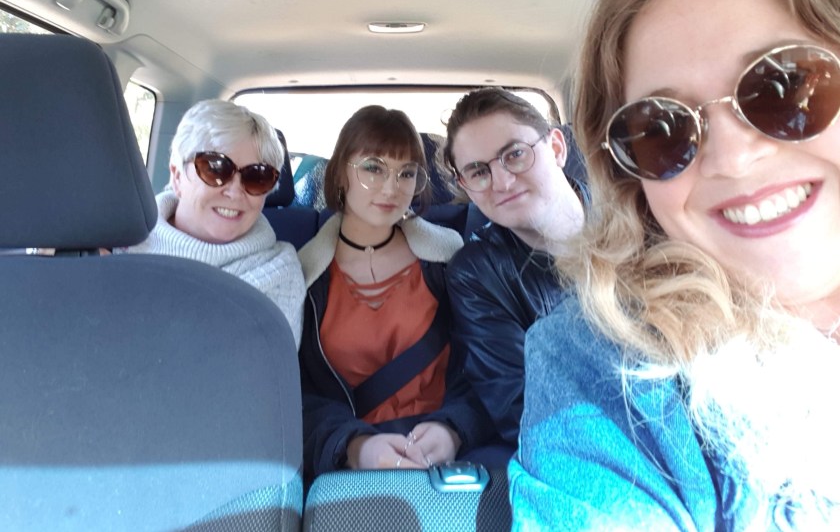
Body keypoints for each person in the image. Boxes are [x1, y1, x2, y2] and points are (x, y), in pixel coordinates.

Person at [510, 0, 840, 531]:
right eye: (662, 130)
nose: (734, 158)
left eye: (785, 87)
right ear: (631, 179)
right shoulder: (605, 366)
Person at [297, 105, 493, 480]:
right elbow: (296, 399)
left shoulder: (449, 261)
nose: (392, 188)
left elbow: (487, 367)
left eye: (406, 173)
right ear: (340, 173)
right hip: (347, 468)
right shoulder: (303, 278)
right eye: (373, 168)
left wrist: (454, 429)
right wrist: (355, 447)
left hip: (451, 458)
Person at [441, 87, 584, 449]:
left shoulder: (641, 219)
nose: (502, 183)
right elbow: (525, 410)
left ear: (556, 148)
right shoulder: (478, 274)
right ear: (466, 186)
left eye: (515, 154)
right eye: (478, 172)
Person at [123, 99, 305, 347]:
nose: (235, 192)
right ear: (177, 177)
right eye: (215, 169)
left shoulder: (279, 271)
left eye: (257, 176)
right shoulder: (119, 244)